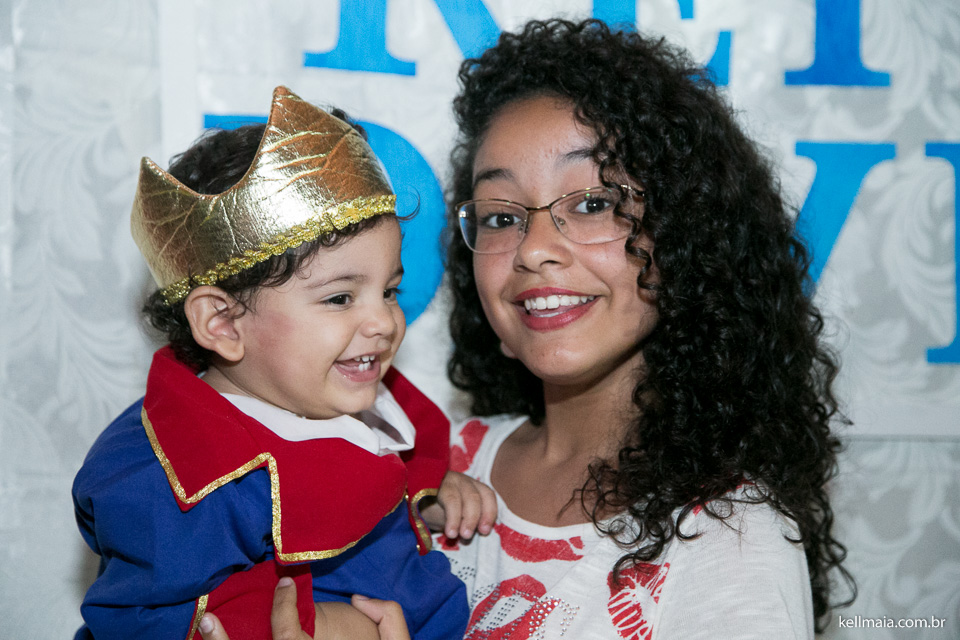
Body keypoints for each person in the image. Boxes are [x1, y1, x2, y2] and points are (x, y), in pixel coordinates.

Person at [201, 18, 854, 640]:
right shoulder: (429, 466)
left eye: (593, 203)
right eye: (501, 215)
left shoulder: (733, 537)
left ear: (688, 235)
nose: (534, 247)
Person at [72, 86, 493, 640]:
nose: (385, 322)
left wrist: (428, 488)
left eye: (389, 291)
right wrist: (307, 627)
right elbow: (139, 618)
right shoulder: (186, 477)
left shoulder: (341, 385)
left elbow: (397, 449)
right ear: (222, 324)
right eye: (341, 298)